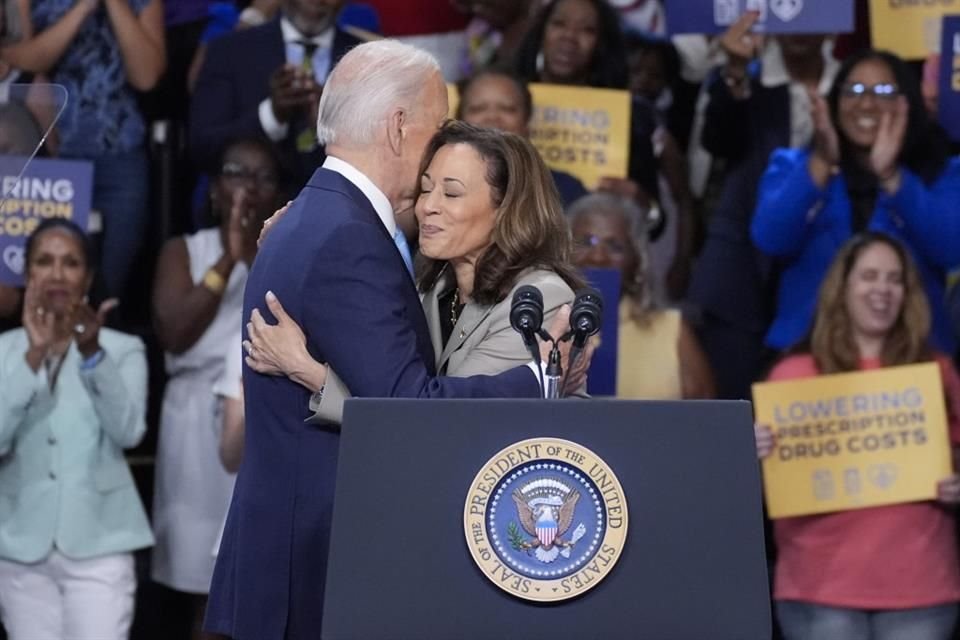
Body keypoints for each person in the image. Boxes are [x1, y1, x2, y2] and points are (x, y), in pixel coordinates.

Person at [204, 40, 585, 640]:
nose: (438, 152)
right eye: (437, 127)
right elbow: (411, 410)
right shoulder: (346, 235)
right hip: (317, 562)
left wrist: (314, 375)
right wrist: (537, 380)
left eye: (452, 191)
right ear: (400, 125)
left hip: (317, 555)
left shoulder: (319, 218)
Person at [245, 120, 587, 423]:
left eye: (451, 193)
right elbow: (396, 389)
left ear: (507, 210)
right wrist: (296, 244)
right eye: (425, 189)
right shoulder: (433, 288)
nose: (427, 206)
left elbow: (433, 417)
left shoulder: (540, 299)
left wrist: (310, 373)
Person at [754, 233, 960, 640]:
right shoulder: (793, 376)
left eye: (894, 279)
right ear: (842, 289)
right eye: (869, 276)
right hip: (818, 589)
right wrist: (753, 456)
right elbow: (760, 494)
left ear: (907, 292)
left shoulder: (937, 372)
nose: (882, 289)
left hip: (921, 590)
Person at [150, 138, 282, 640]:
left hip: (259, 415)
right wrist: (227, 260)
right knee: (202, 589)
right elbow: (174, 331)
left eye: (264, 176)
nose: (249, 186)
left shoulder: (287, 249)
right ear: (213, 189)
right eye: (236, 172)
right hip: (194, 423)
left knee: (257, 578)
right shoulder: (184, 249)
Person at [0, 219, 153, 639]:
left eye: (70, 263)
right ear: (27, 272)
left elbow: (128, 433)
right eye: (44, 261)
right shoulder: (5, 352)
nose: (56, 273)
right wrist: (33, 356)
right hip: (20, 549)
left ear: (87, 276)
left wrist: (91, 355)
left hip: (100, 546)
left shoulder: (121, 350)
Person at [751, 49, 960, 357]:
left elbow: (951, 248)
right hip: (810, 358)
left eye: (884, 92)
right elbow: (770, 237)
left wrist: (892, 177)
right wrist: (821, 163)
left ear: (907, 104)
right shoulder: (791, 166)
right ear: (835, 102)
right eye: (854, 90)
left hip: (912, 359)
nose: (866, 103)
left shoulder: (942, 171)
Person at [686, 13, 840, 399]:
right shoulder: (742, 79)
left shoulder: (854, 84)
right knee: (731, 414)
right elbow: (719, 141)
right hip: (739, 278)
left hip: (823, 275)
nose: (800, 21)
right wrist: (735, 70)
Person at [2, 0, 165, 299]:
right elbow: (21, 58)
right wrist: (83, 8)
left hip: (120, 155)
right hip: (50, 158)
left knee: (106, 289)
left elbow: (147, 76)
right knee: (47, 279)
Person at [189, 0, 360, 189]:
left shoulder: (365, 61)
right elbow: (202, 149)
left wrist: (328, 127)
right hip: (251, 207)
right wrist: (270, 116)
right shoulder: (228, 51)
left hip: (336, 203)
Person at [568, 193, 714, 399]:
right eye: (586, 242)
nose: (598, 257)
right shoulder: (536, 326)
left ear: (637, 261)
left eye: (614, 246)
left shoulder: (673, 330)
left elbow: (709, 422)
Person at [455, 67, 587, 207]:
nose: (492, 117)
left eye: (507, 108)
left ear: (526, 122)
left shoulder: (564, 189)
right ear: (459, 121)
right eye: (478, 108)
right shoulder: (434, 187)